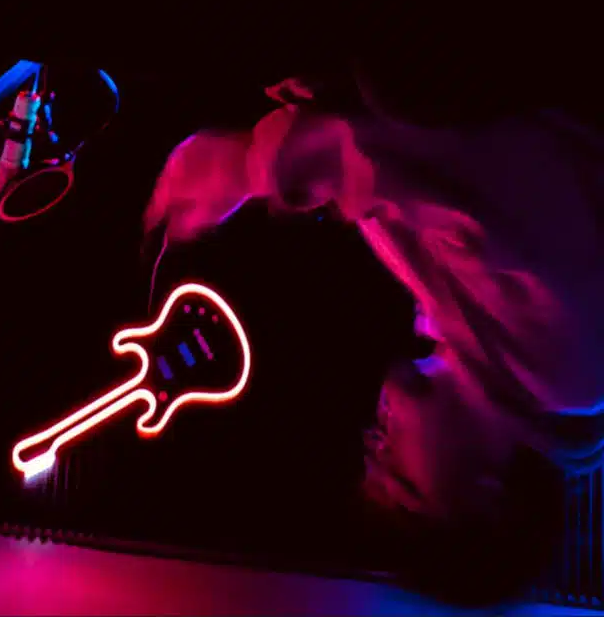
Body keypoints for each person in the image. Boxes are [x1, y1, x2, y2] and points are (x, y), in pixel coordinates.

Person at [143, 66, 603, 604]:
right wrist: (245, 167)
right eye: (403, 483)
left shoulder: (471, 338)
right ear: (490, 498)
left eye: (372, 464)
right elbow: (450, 162)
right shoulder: (571, 366)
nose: (373, 444)